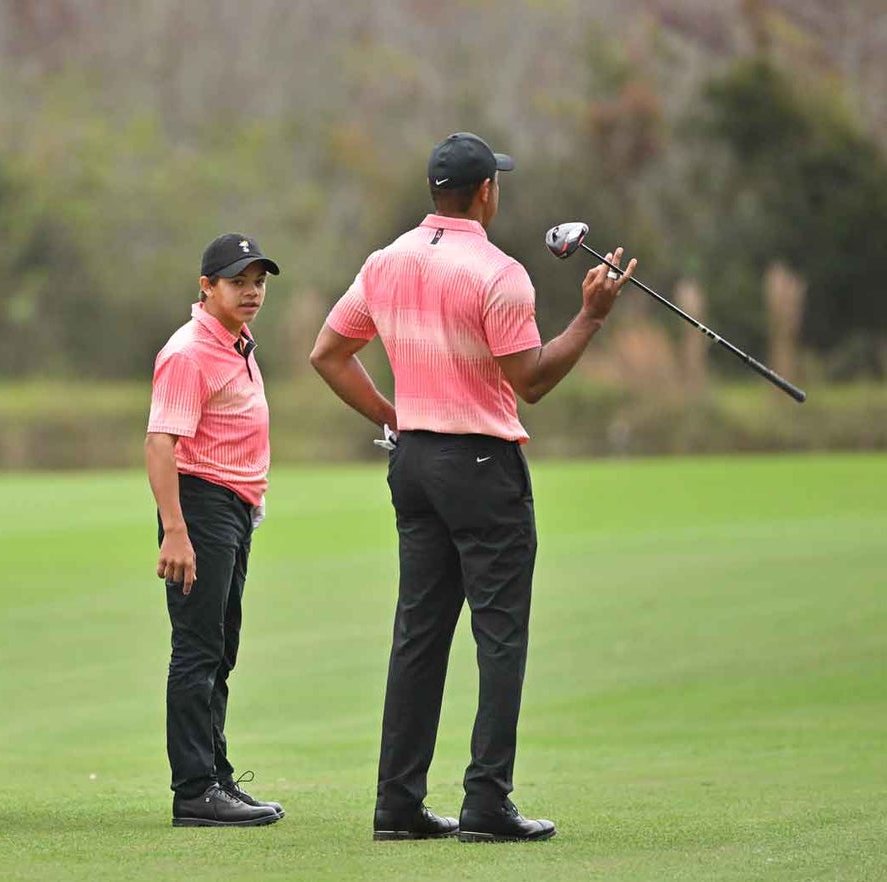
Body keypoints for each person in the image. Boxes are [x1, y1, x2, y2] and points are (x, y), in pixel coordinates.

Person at [309, 132, 635, 843]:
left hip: (415, 462)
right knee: (500, 636)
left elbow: (328, 353)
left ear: (436, 192)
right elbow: (533, 381)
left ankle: (397, 805)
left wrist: (397, 417)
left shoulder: (385, 260)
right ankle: (487, 803)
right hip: (483, 468)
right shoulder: (499, 272)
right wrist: (592, 316)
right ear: (487, 191)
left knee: (418, 637)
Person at [146, 233, 286, 827]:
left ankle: (217, 776)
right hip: (199, 506)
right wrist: (175, 531)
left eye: (258, 281)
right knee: (198, 648)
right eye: (238, 282)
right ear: (207, 287)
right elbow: (160, 443)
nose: (252, 291)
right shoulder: (189, 351)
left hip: (229, 508)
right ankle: (195, 790)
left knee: (221, 646)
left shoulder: (236, 342)